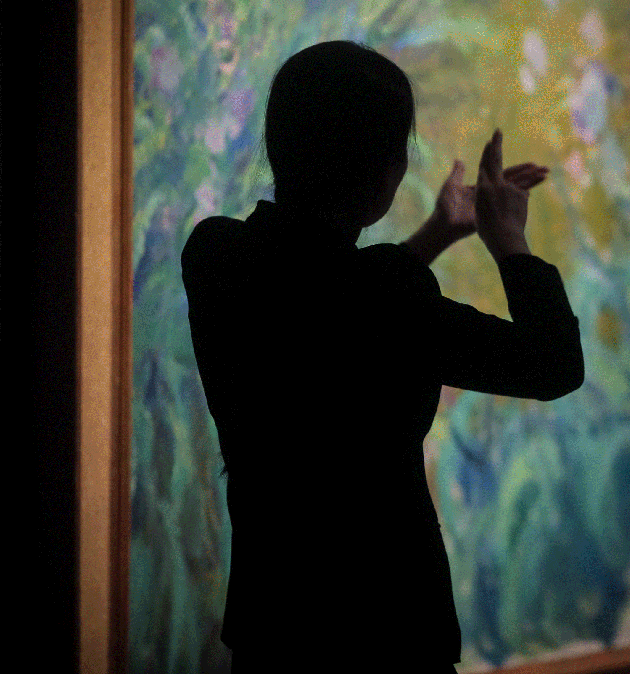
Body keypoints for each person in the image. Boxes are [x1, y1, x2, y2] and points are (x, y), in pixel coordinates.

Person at [181, 41, 585, 672]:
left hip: (273, 632)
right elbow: (552, 362)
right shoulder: (388, 295)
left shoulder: (216, 257)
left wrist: (435, 234)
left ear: (278, 144)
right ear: (384, 173)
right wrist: (507, 237)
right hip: (392, 636)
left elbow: (331, 314)